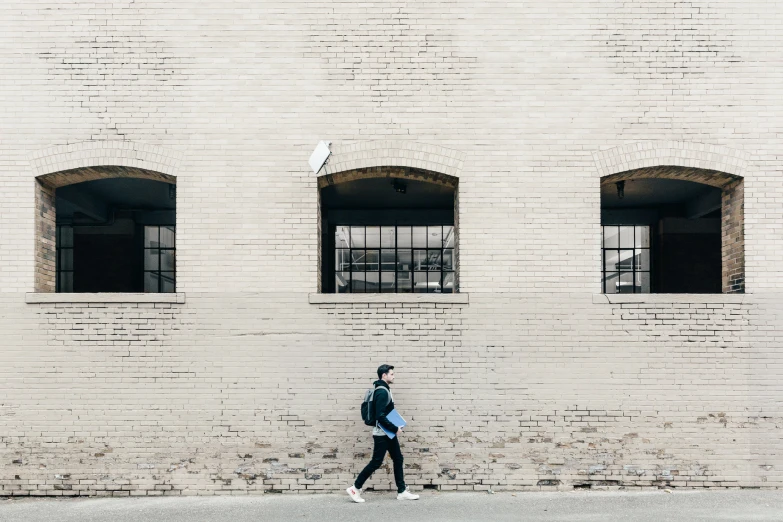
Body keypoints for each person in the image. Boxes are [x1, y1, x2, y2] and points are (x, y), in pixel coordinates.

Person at [346, 364, 419, 502]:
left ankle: (402, 491)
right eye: (391, 374)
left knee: (398, 458)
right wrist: (395, 428)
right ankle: (355, 488)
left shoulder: (385, 389)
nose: (394, 376)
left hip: (387, 433)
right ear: (384, 375)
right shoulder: (382, 392)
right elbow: (380, 416)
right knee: (376, 462)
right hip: (382, 434)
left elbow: (386, 412)